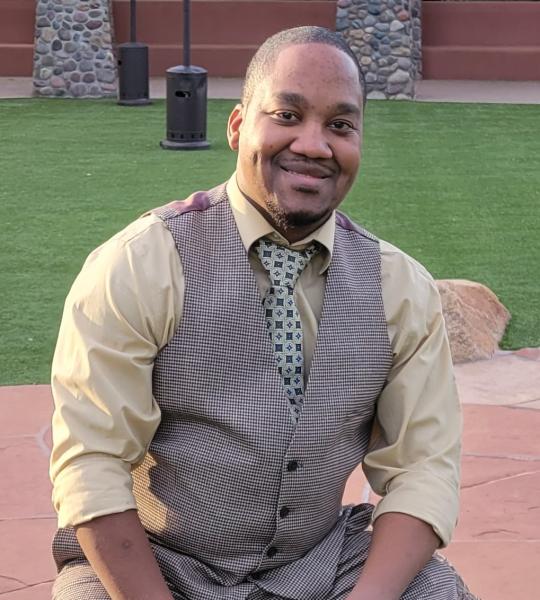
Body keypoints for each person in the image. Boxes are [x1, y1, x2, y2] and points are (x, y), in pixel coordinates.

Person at [50, 26, 477, 600]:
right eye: (287, 114)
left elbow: (424, 468)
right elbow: (93, 465)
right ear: (236, 125)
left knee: (435, 592)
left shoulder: (399, 287)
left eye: (340, 126)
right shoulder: (139, 264)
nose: (314, 144)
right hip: (163, 564)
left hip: (320, 565)